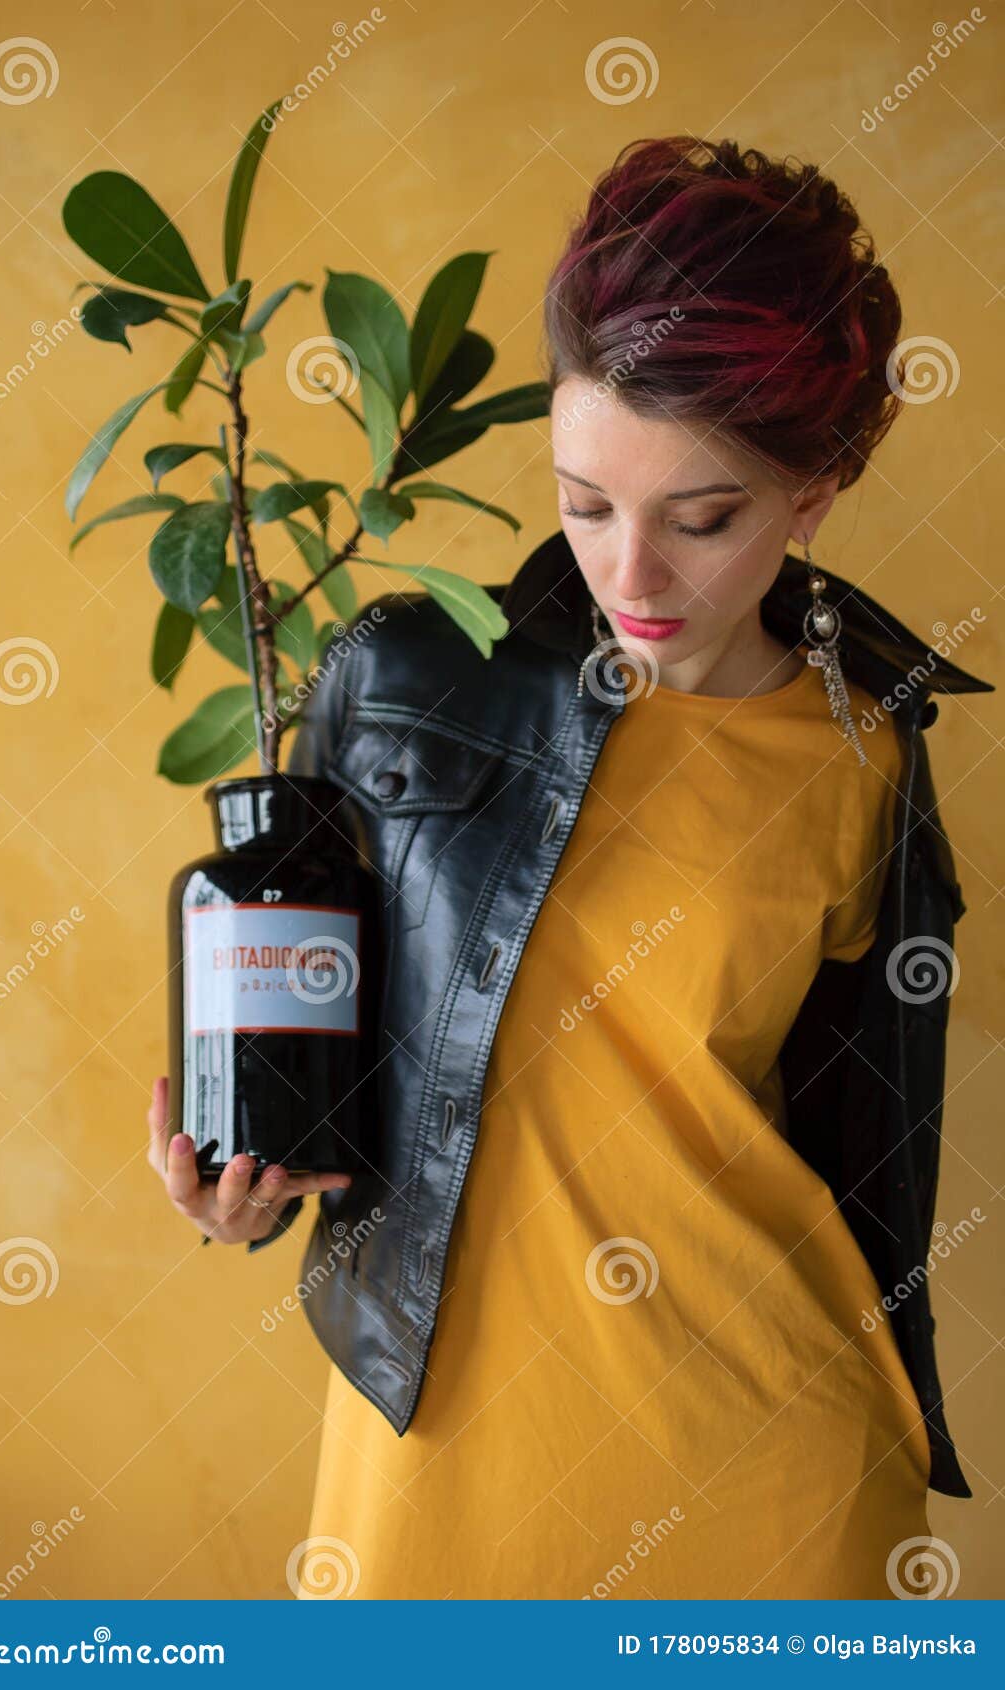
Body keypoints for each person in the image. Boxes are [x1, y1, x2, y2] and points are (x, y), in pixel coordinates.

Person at [147, 136, 982, 1598]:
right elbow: (298, 1048)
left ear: (820, 487)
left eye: (702, 517)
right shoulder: (400, 675)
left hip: (768, 1464)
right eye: (586, 501)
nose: (632, 577)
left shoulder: (864, 752)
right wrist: (248, 1190)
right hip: (433, 1443)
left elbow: (857, 1133)